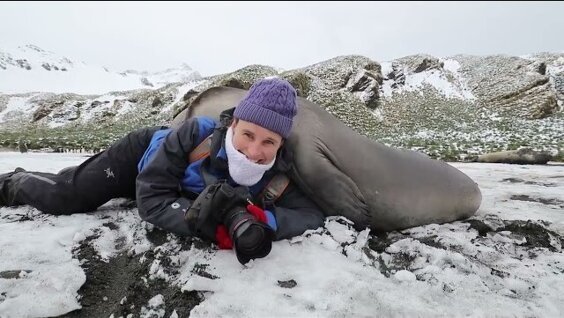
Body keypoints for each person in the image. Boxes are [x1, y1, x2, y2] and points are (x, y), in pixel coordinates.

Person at [0, 78, 325, 264]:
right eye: (248, 135)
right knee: (67, 195)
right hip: (138, 161)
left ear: (281, 143)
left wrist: (263, 219)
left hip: (172, 187)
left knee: (77, 180)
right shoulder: (196, 133)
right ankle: (12, 182)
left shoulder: (277, 175)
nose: (255, 151)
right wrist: (205, 223)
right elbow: (153, 198)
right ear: (234, 123)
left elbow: (311, 214)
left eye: (269, 141)